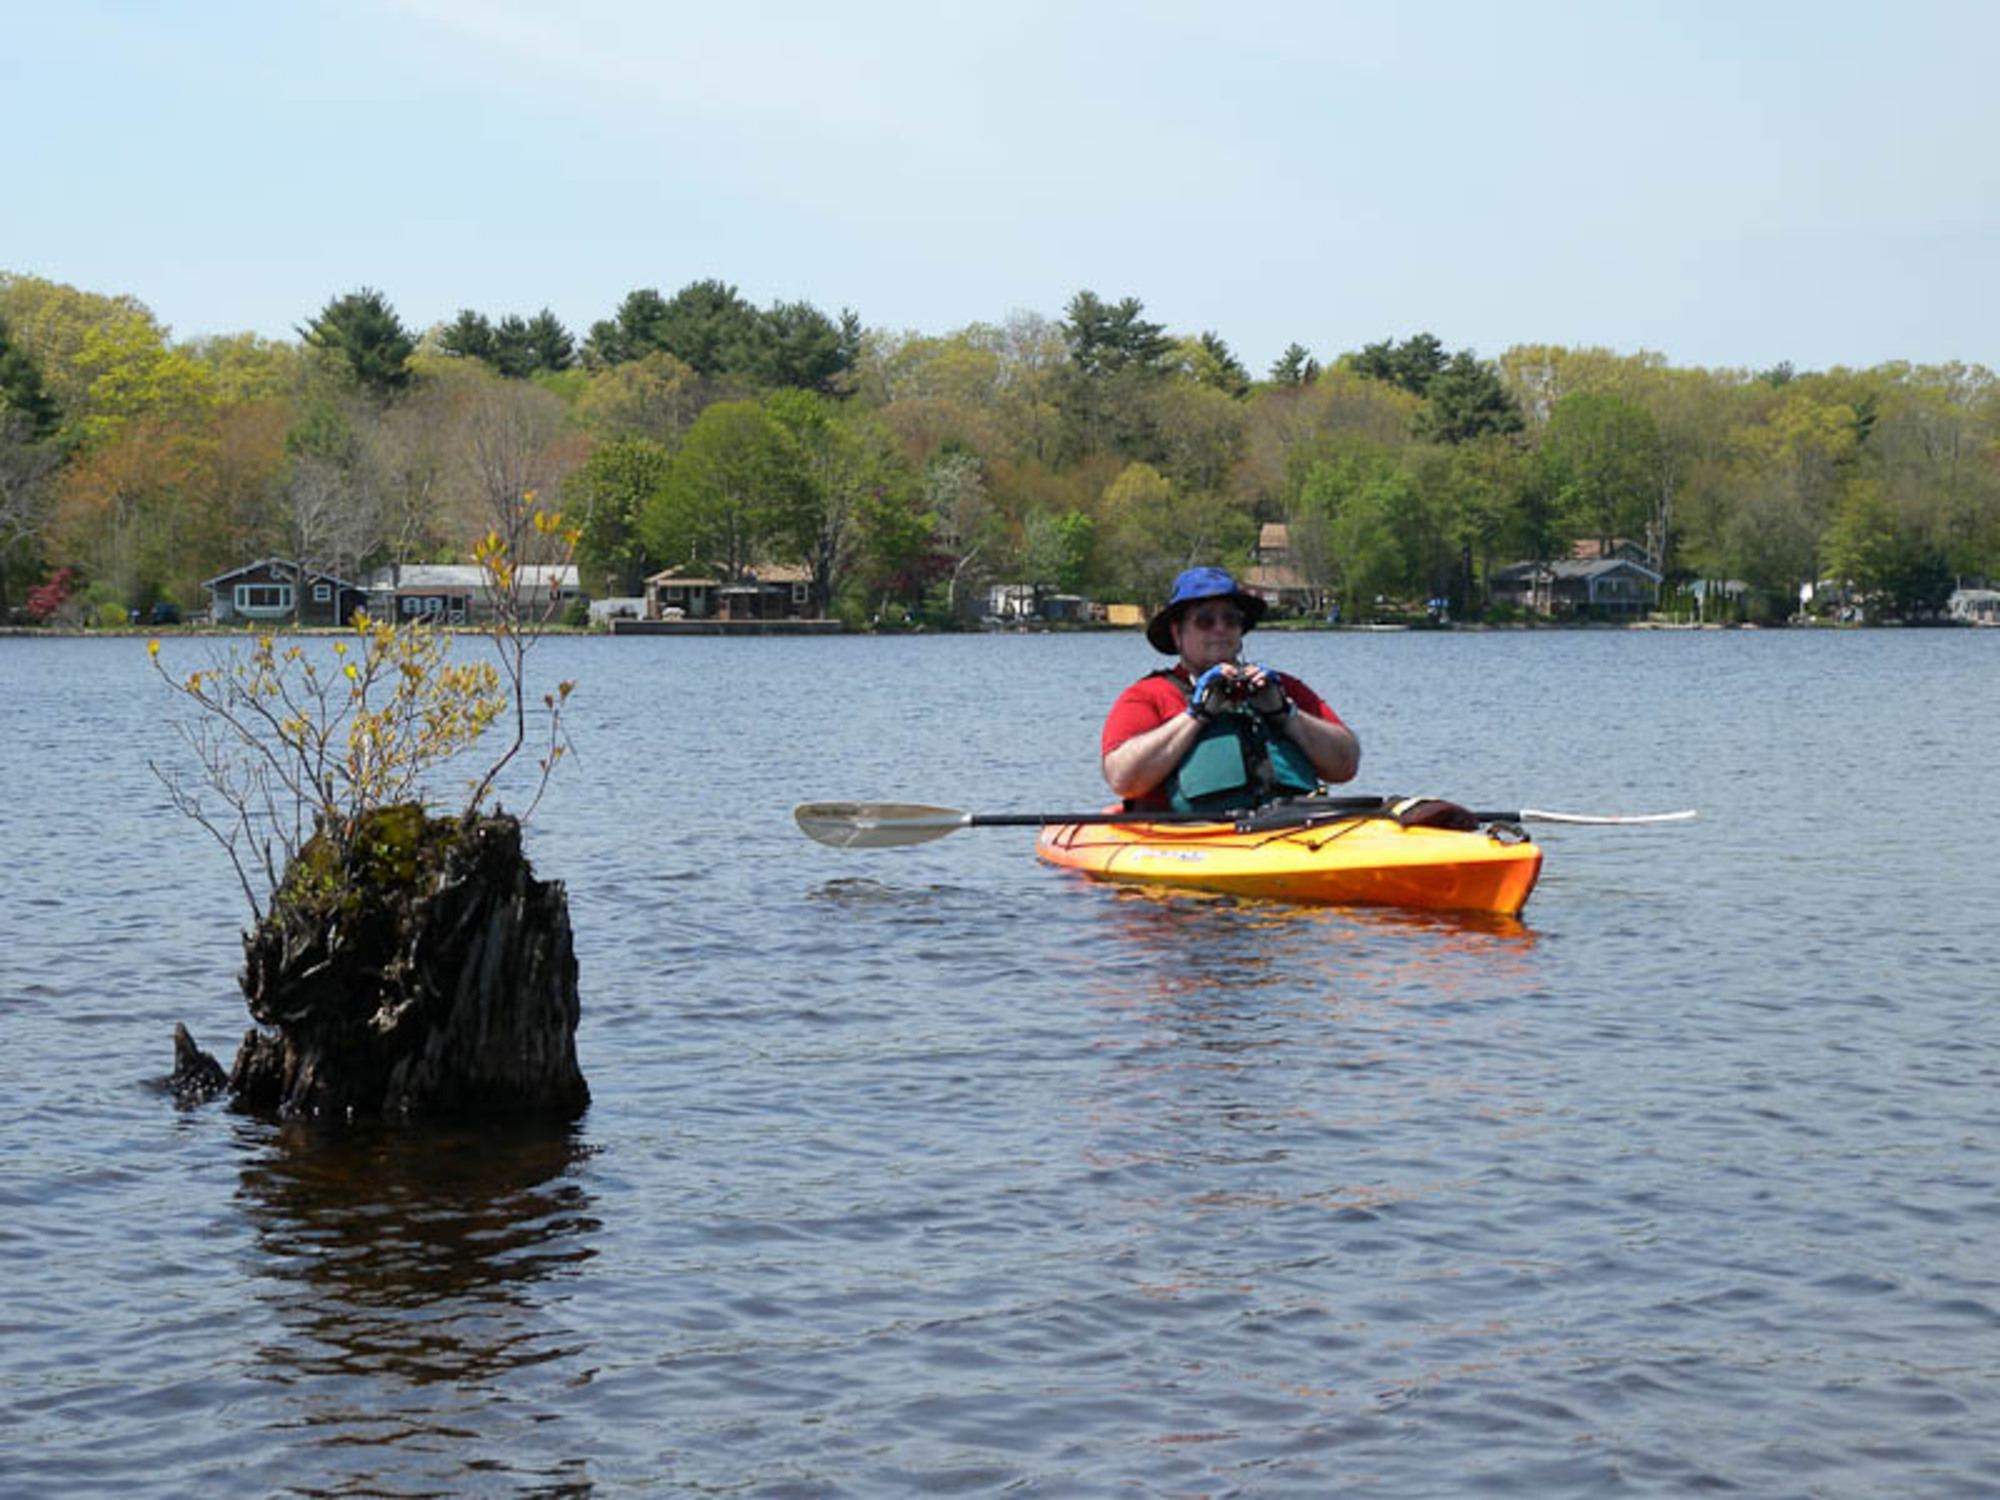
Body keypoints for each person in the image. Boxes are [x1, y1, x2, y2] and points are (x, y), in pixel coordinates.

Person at [1102, 567, 1360, 812]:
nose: (1221, 628)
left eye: (1231, 619)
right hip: (1192, 839)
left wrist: (1285, 713)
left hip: (1289, 833)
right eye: (1205, 620)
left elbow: (1346, 765)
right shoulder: (1147, 695)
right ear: (1176, 633)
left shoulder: (1282, 688)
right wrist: (1196, 716)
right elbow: (1122, 778)